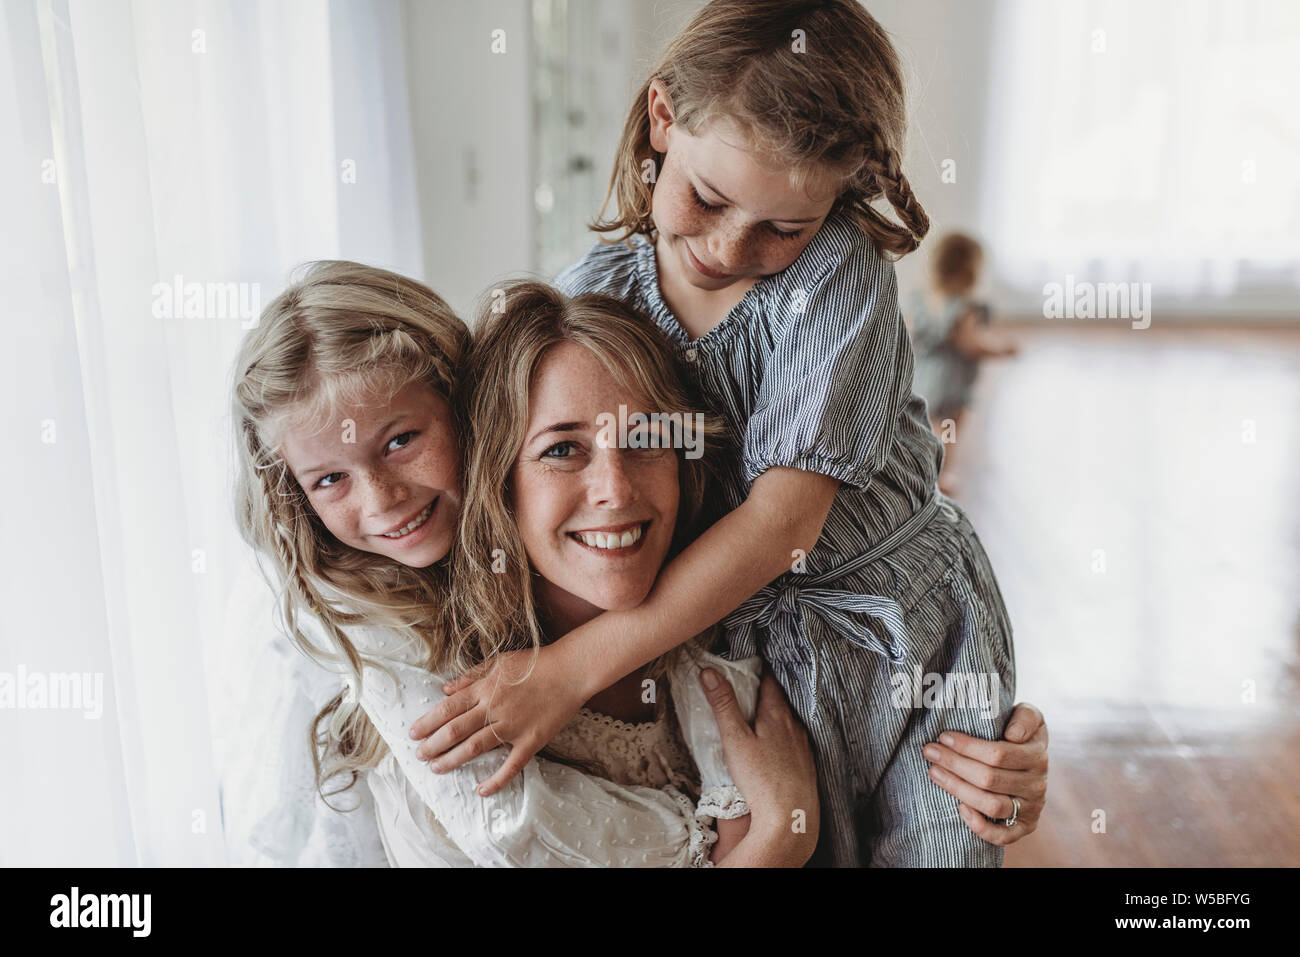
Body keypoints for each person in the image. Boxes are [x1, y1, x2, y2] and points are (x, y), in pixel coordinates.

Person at [412, 0, 1045, 866]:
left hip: (904, 631)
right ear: (663, 117)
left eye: (783, 226)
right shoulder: (597, 289)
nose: (731, 244)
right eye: (707, 198)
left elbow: (784, 526)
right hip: (743, 639)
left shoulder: (836, 278)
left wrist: (567, 672)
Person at [231, 260, 817, 866]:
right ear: (497, 468)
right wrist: (771, 845)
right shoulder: (411, 667)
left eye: (402, 441)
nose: (381, 499)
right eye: (561, 449)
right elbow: (510, 831)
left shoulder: (720, 629)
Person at [908, 232, 1017, 495]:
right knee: (949, 432)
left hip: (923, 378)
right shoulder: (966, 306)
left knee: (927, 427)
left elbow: (915, 335)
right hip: (952, 383)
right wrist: (1001, 350)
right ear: (971, 270)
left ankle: (920, 470)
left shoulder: (922, 299)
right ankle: (942, 475)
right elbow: (970, 343)